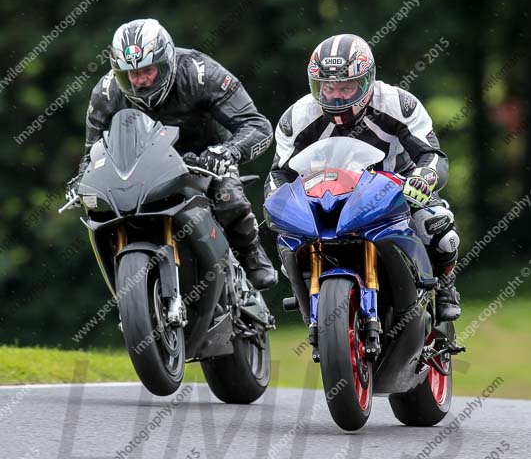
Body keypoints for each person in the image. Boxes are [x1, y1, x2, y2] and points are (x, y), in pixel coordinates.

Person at [68, 18, 277, 289]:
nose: (140, 81)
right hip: (143, 170)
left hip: (203, 158)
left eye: (148, 70)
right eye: (131, 74)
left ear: (165, 61)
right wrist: (81, 180)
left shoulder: (200, 72)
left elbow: (257, 125)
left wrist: (229, 151)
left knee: (229, 198)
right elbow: (92, 152)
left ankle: (251, 256)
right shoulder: (107, 92)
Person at [265, 33, 461, 321]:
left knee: (439, 228)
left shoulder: (398, 104)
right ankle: (308, 296)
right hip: (327, 194)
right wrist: (276, 201)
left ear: (368, 80)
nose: (335, 96)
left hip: (395, 187)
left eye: (346, 87)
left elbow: (432, 154)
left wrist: (424, 177)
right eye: (327, 87)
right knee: (287, 240)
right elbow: (278, 172)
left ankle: (445, 285)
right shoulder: (296, 117)